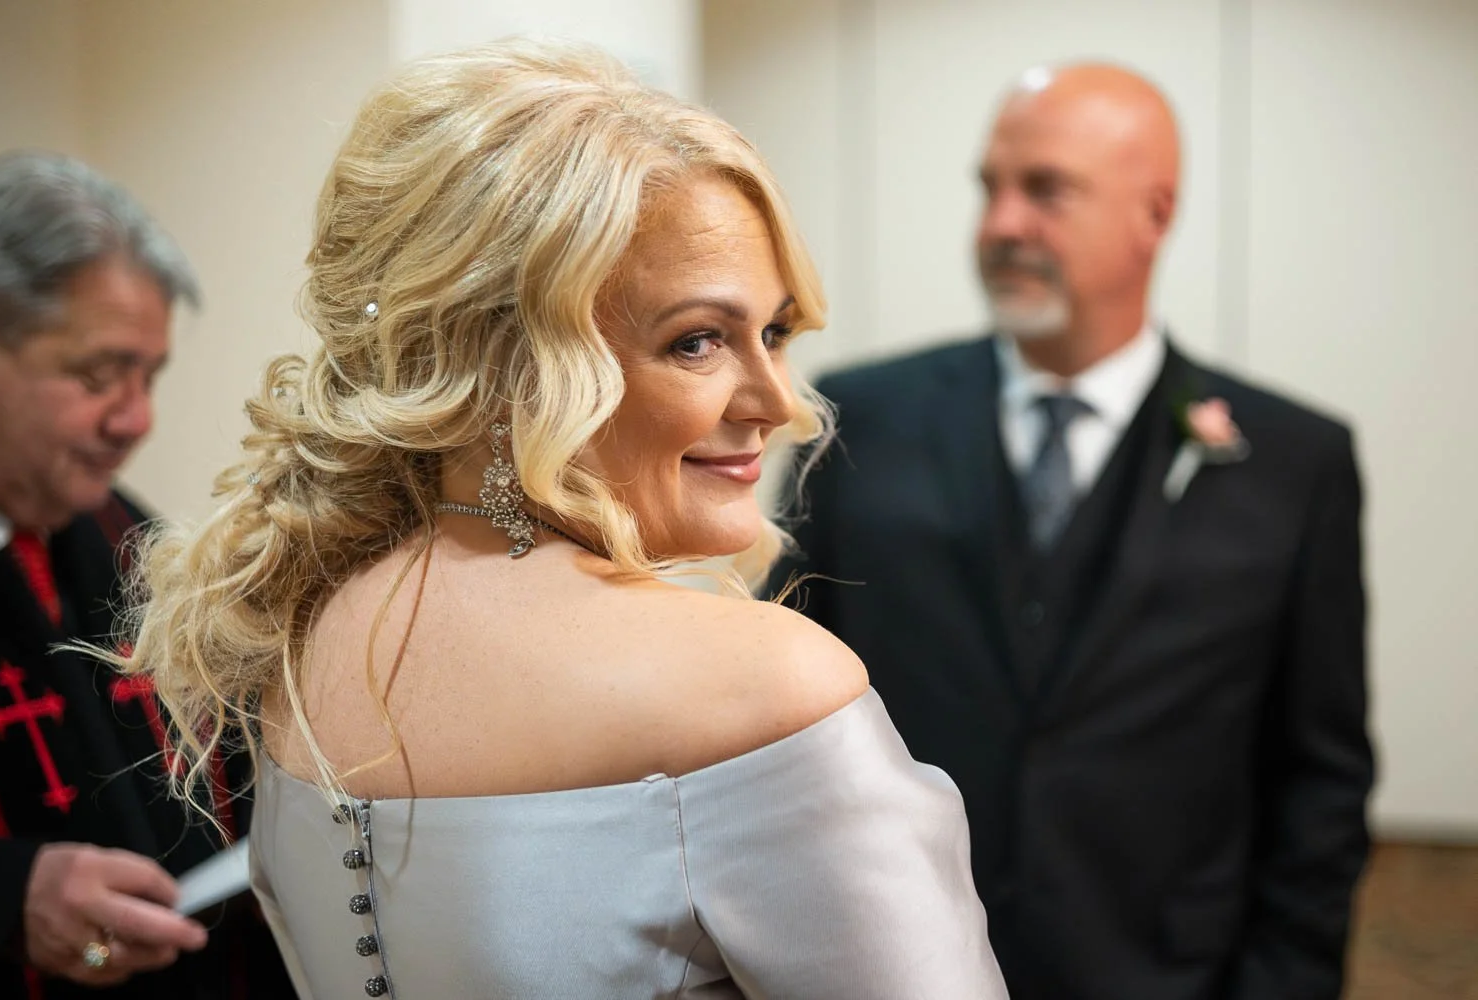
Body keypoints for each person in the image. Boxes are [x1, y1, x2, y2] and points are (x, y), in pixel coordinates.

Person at [113, 42, 1009, 999]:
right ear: (510, 360)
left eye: (776, 333)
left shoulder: (308, 637)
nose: (777, 400)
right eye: (698, 341)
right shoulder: (761, 684)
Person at [772, 64, 1374, 999]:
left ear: (1155, 215)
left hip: (1166, 970)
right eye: (991, 188)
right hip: (893, 964)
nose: (1001, 225)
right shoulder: (859, 421)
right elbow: (785, 724)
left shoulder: (1294, 463)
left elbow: (1319, 780)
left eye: (1045, 190)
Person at [0, 152, 295, 997]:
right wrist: (6, 897)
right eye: (97, 375)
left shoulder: (129, 538)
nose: (136, 419)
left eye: (149, 377)